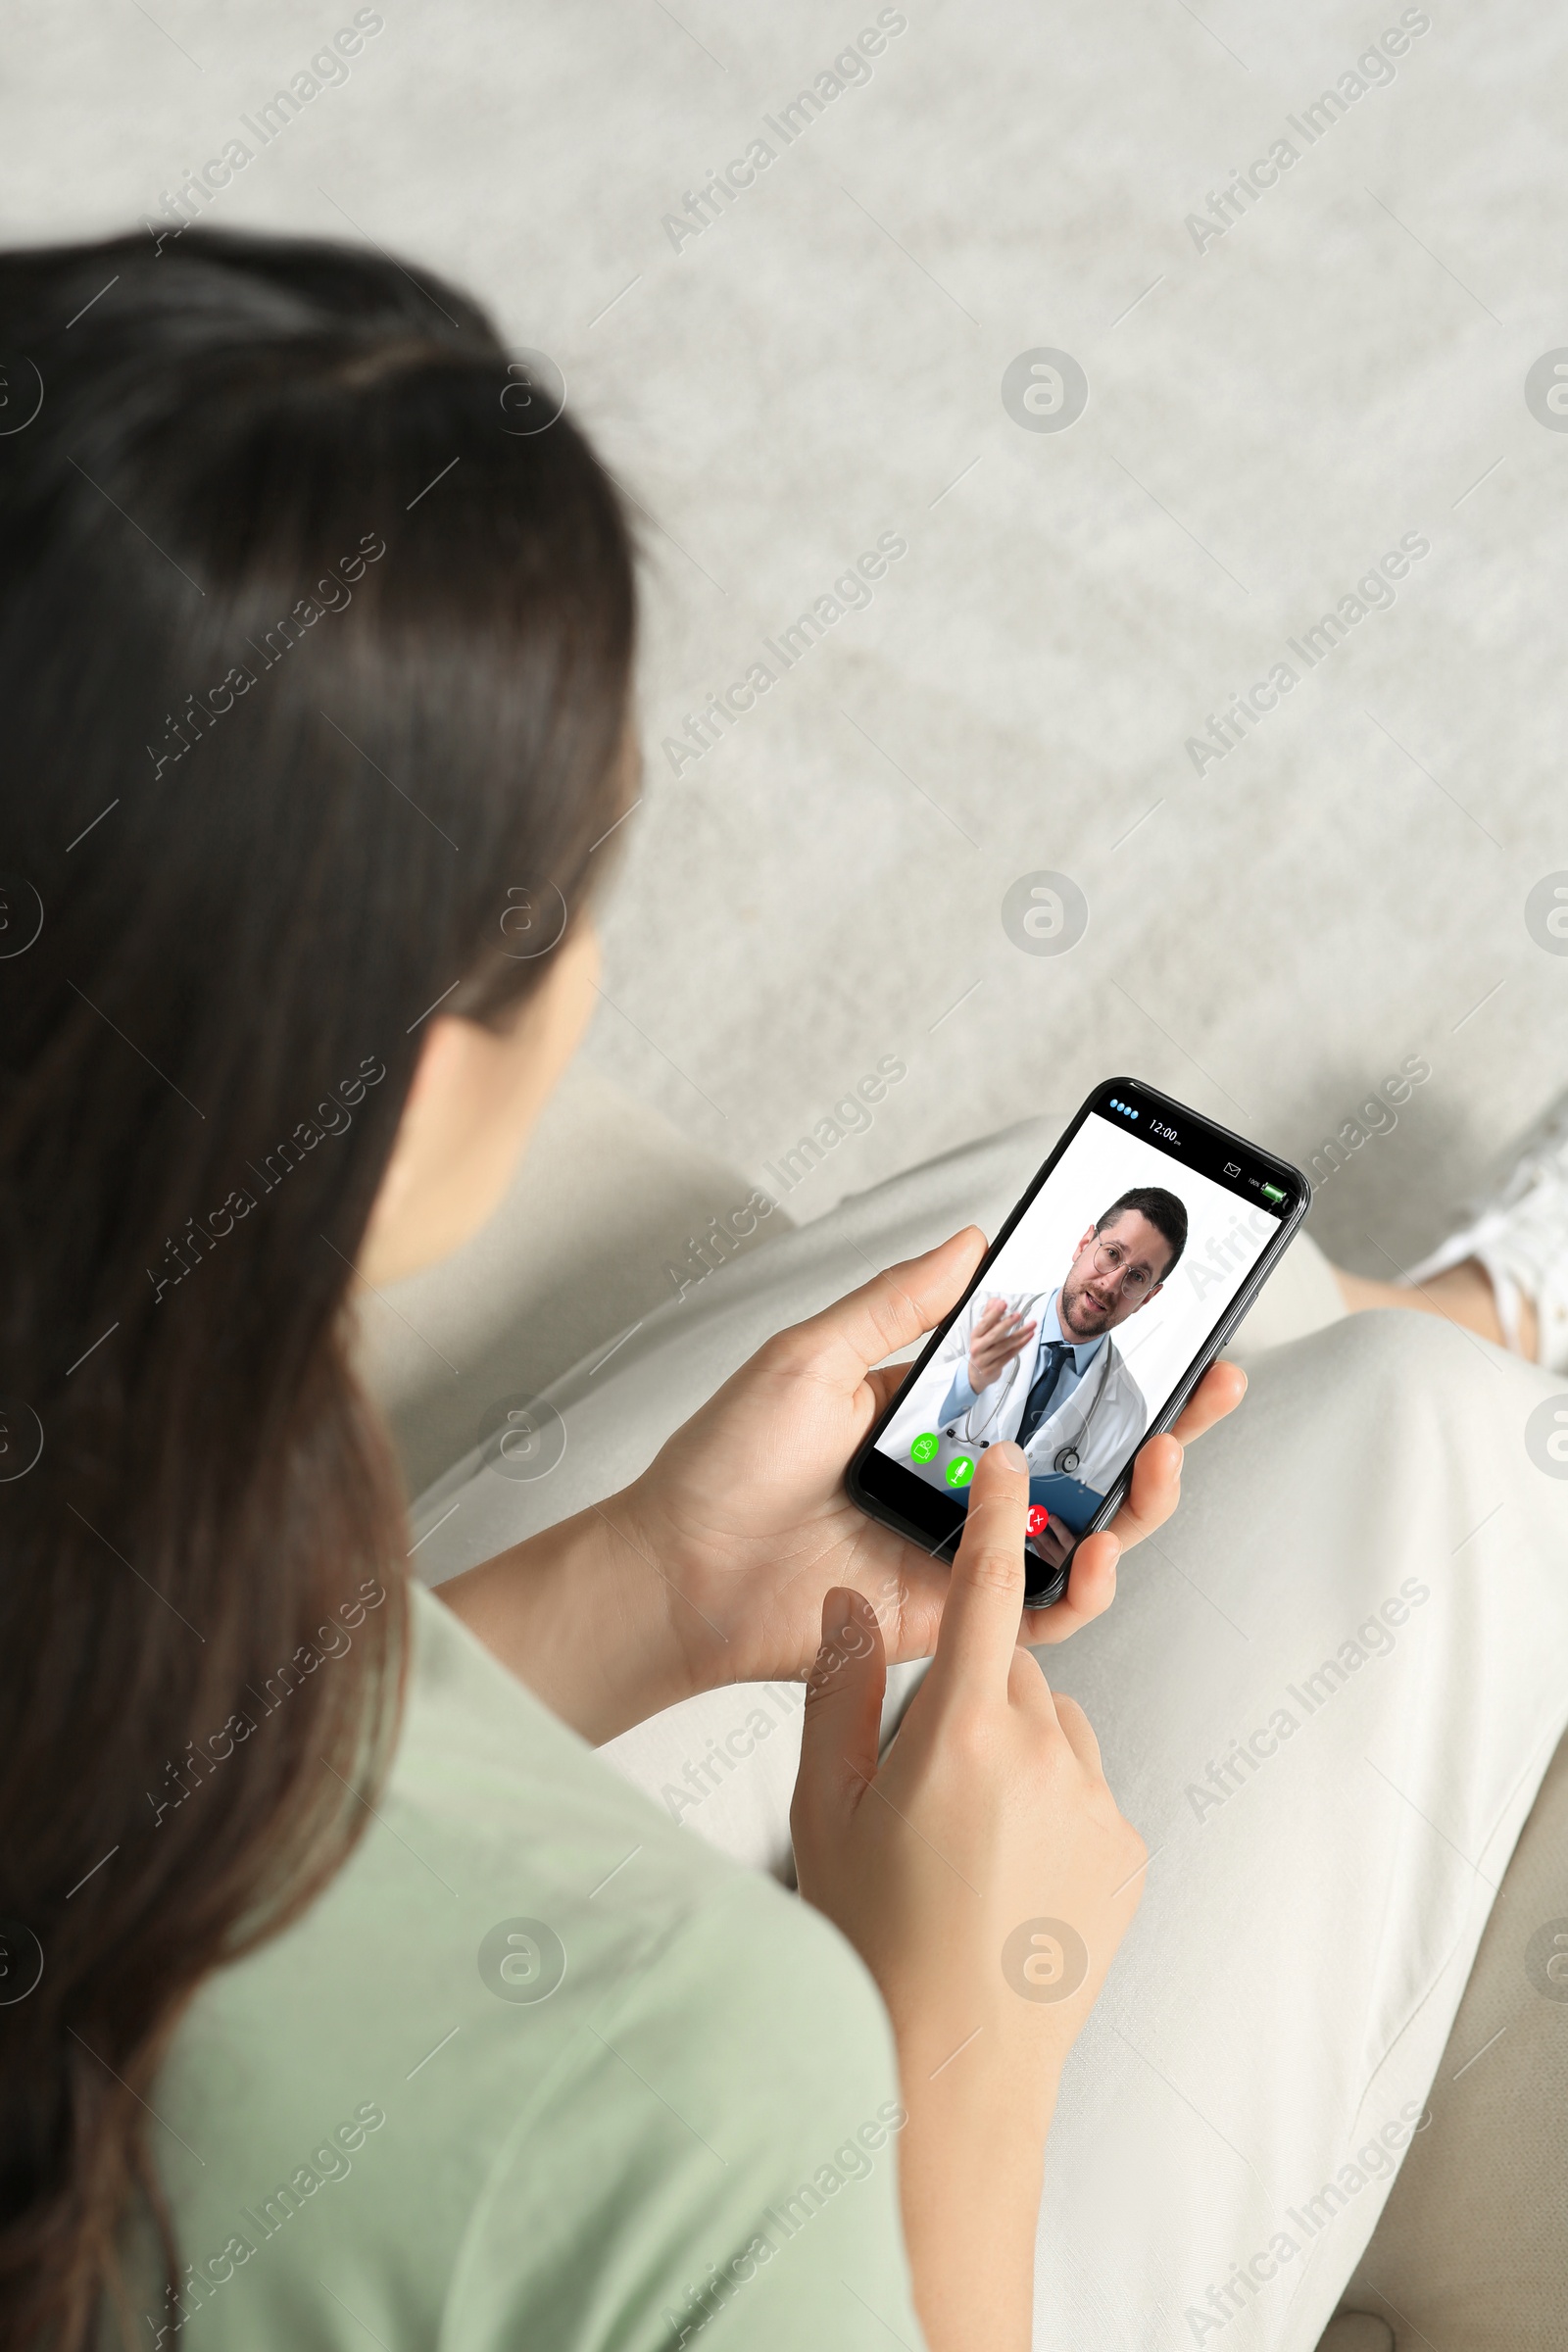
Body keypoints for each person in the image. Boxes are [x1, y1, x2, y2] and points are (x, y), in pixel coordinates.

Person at [2, 226, 1565, 2352]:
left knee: (1126, 1224)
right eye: (563, 907)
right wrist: (960, 2051)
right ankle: (1491, 1339)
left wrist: (650, 1584)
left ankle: (1454, 1307)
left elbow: (132, 1838)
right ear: (399, 1088)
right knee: (1426, 1448)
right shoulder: (713, 2097)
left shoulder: (127, 1594)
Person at [898, 1188, 1187, 1561]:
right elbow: (889, 1438)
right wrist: (964, 1383)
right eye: (1111, 1254)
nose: (1111, 1284)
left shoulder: (1128, 1414)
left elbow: (1070, 1537)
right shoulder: (977, 1314)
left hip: (995, 1573)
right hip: (904, 1523)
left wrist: (1060, 1563)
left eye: (1137, 1278)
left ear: (1148, 1297)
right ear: (1085, 1243)